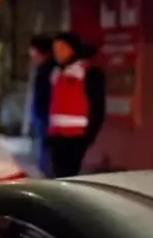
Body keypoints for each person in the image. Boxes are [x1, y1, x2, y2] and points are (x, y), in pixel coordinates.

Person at [46, 31, 107, 178]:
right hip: (56, 135)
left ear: (73, 49)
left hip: (76, 137)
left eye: (62, 48)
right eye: (55, 49)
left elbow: (98, 107)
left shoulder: (89, 72)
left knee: (70, 176)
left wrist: (89, 136)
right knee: (58, 176)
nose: (57, 53)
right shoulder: (55, 73)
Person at [28, 35, 56, 177]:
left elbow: (45, 97)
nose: (32, 57)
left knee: (46, 158)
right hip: (42, 119)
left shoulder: (49, 70)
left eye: (34, 53)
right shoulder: (44, 69)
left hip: (47, 120)